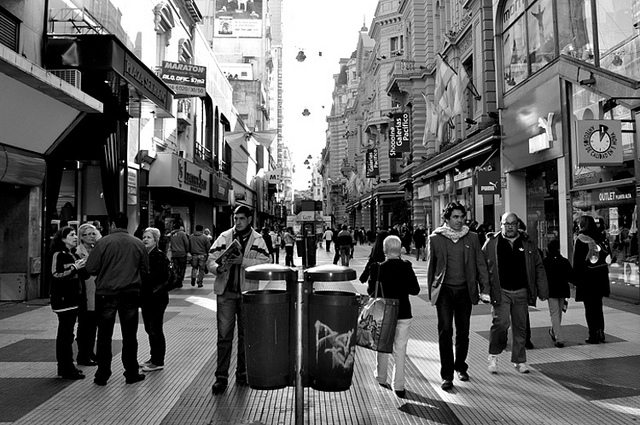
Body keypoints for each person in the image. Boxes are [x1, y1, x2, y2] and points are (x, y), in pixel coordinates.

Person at [426, 202, 491, 390]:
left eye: (462, 217)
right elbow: (432, 267)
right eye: (455, 217)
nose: (459, 220)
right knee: (445, 331)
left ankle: (461, 366)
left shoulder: (472, 237)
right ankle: (446, 374)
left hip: (465, 290)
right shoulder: (436, 238)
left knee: (463, 331)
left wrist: (484, 288)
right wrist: (432, 293)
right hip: (444, 291)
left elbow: (480, 264)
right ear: (447, 218)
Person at [206, 205, 270, 394]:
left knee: (245, 336)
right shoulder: (224, 237)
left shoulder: (258, 239)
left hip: (247, 293)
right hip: (226, 292)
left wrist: (244, 261)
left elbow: (266, 262)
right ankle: (221, 377)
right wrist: (217, 268)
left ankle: (242, 374)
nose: (238, 222)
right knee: (224, 336)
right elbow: (211, 258)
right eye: (236, 218)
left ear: (249, 220)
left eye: (242, 218)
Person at [85, 212, 149, 386]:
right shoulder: (138, 243)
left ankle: (102, 374)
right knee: (130, 336)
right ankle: (131, 373)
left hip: (106, 294)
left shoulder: (103, 242)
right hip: (130, 294)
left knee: (104, 335)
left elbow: (91, 268)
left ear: (112, 224)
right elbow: (145, 270)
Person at [482, 212, 548, 375]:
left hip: (521, 291)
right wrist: (484, 290)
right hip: (501, 291)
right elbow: (482, 267)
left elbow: (538, 266)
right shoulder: (492, 243)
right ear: (501, 225)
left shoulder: (528, 242)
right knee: (501, 323)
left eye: (513, 223)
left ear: (518, 225)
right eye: (506, 223)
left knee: (520, 327)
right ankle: (494, 355)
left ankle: (519, 360)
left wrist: (543, 288)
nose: (510, 226)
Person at [369, 235, 420, 398]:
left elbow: (371, 292)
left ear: (384, 250)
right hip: (403, 312)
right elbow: (415, 290)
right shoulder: (406, 266)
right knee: (400, 349)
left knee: (382, 345)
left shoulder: (377, 268)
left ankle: (381, 376)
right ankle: (399, 385)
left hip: (383, 313)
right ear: (400, 250)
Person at [50, 226, 86, 380]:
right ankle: (65, 367)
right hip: (63, 300)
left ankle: (67, 365)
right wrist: (74, 268)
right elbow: (56, 274)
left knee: (68, 334)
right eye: (71, 235)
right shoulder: (58, 255)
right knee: (65, 335)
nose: (75, 237)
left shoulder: (72, 254)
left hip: (73, 299)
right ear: (63, 238)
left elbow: (82, 276)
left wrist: (82, 265)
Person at [573, 215, 611, 344]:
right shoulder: (601, 237)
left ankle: (593, 334)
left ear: (583, 225)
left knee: (589, 308)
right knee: (598, 306)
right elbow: (608, 257)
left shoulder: (581, 239)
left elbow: (577, 262)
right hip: (600, 278)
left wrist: (575, 279)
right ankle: (601, 332)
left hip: (587, 279)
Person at [140, 227, 172, 372]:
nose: (145, 239)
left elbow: (160, 277)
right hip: (148, 297)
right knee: (150, 328)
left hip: (156, 297)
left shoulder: (158, 256)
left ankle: (158, 360)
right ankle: (154, 357)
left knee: (155, 328)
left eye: (149, 237)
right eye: (144, 237)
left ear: (156, 240)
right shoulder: (145, 254)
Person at [75, 223, 101, 366]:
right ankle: (83, 354)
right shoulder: (78, 252)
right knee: (85, 325)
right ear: (81, 237)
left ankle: (90, 352)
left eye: (93, 233)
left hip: (95, 292)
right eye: (88, 234)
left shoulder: (94, 249)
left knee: (92, 325)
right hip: (84, 293)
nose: (92, 236)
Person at [543, 239, 572, 348]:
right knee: (558, 313)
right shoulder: (564, 261)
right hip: (562, 290)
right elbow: (571, 275)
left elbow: (542, 277)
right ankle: (555, 332)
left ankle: (558, 337)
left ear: (548, 249)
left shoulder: (545, 262)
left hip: (551, 291)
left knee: (555, 313)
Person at [170, 221, 190, 288]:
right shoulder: (182, 234)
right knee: (182, 267)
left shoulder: (171, 234)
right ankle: (180, 280)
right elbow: (186, 243)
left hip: (174, 253)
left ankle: (176, 279)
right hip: (182, 253)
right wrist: (187, 251)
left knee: (176, 267)